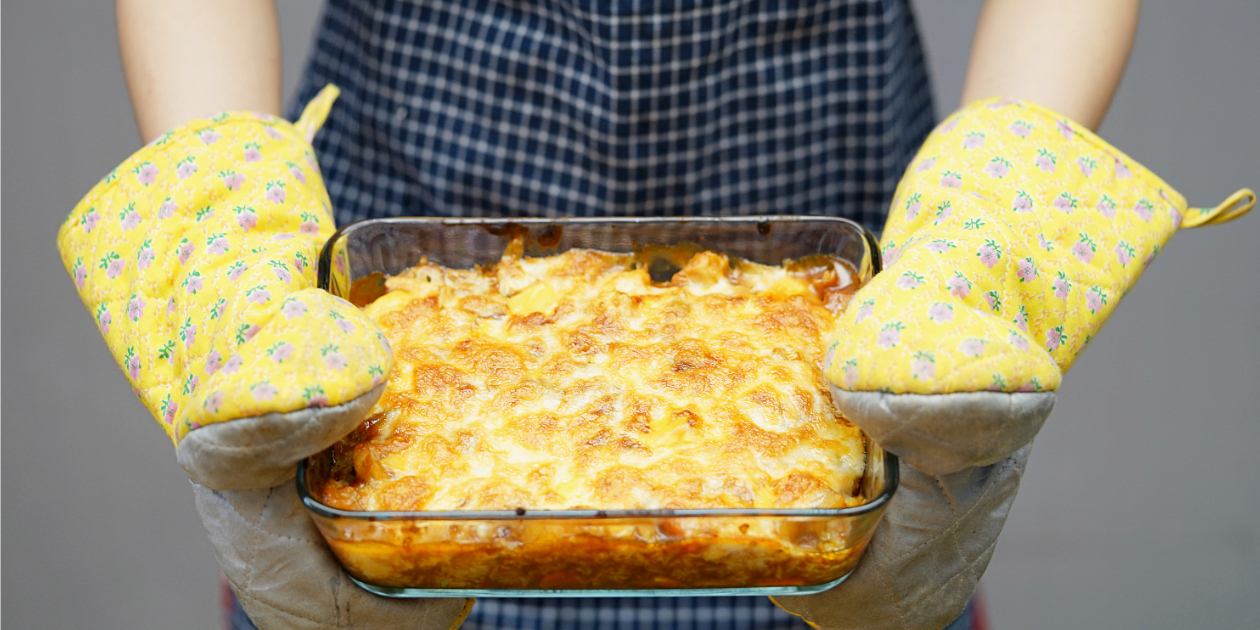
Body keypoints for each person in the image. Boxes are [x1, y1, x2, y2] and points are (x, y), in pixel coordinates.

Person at [57, 0, 1248, 628]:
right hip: (380, 342)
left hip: (853, 338)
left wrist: (986, 258)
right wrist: (223, 266)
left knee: (876, 532)